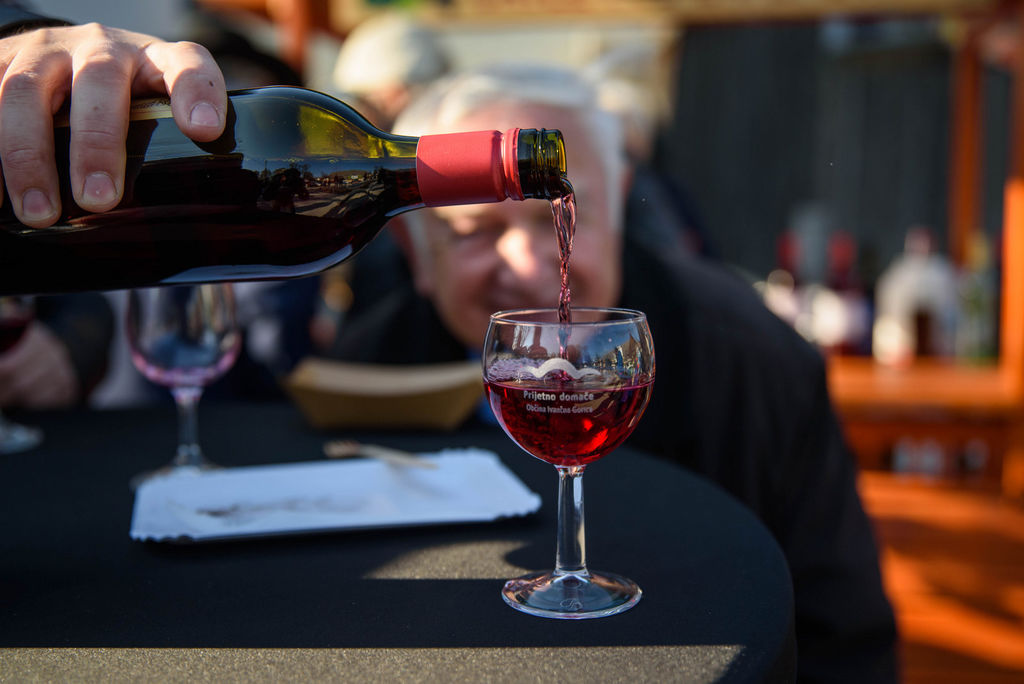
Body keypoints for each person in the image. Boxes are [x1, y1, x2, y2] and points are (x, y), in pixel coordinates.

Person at [328, 64, 899, 682]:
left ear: (620, 204)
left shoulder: (752, 363)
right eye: (475, 231)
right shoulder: (355, 377)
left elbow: (844, 639)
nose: (528, 265)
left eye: (561, 217)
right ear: (416, 252)